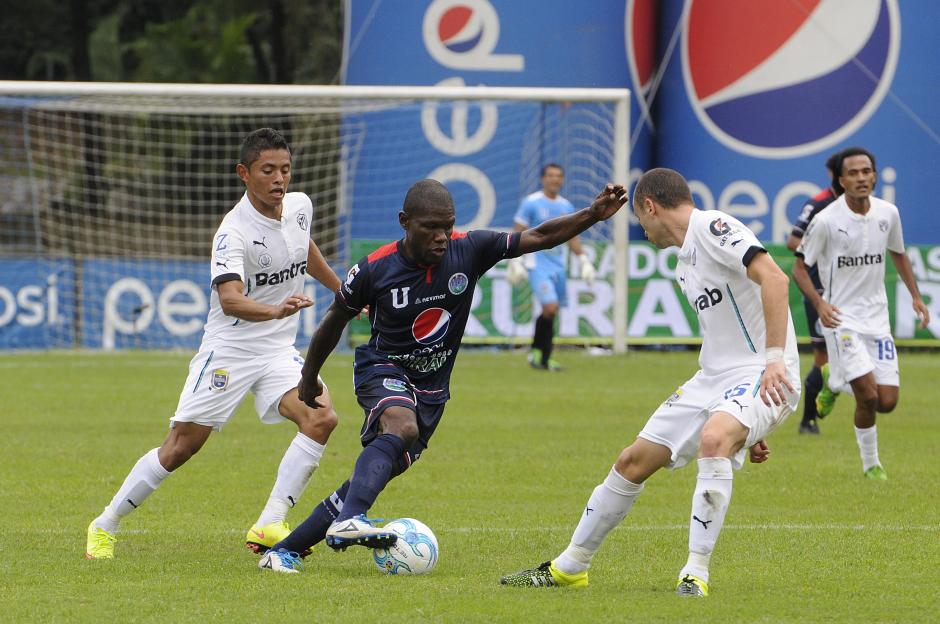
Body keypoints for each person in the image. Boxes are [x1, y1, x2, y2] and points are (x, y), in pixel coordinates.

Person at [256, 178, 627, 573]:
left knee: (370, 478)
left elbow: (539, 236)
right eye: (430, 227)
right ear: (404, 221)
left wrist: (591, 214)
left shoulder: (468, 250)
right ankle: (351, 521)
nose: (441, 237)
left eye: (447, 226)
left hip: (431, 391)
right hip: (382, 367)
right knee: (400, 427)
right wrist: (309, 378)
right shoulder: (374, 268)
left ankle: (284, 551)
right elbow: (333, 322)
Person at [500, 168, 800, 597]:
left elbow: (775, 278)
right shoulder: (684, 264)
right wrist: (751, 428)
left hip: (763, 371)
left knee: (715, 438)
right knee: (632, 461)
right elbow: (732, 329)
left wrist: (772, 363)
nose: (642, 228)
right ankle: (571, 566)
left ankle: (695, 574)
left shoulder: (714, 227)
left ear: (651, 207)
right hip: (716, 378)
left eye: (640, 219)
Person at [85, 128, 342, 559]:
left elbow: (304, 247)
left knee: (321, 418)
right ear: (244, 173)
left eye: (285, 169)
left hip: (277, 351)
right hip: (231, 351)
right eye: (268, 170)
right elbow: (231, 300)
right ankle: (105, 523)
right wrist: (277, 310)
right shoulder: (232, 233)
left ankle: (269, 524)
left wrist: (343, 292)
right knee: (182, 446)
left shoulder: (300, 207)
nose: (279, 179)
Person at [793, 147, 929, 480]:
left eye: (866, 171)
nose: (861, 178)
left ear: (874, 175)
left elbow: (898, 253)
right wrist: (820, 303)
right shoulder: (826, 220)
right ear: (841, 181)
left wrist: (916, 296)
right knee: (867, 395)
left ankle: (833, 379)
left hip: (877, 319)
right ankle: (872, 466)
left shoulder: (888, 213)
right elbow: (799, 267)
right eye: (853, 173)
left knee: (886, 402)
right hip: (841, 318)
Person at [507, 164, 595, 371]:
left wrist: (583, 260)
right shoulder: (531, 203)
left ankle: (541, 356)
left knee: (552, 312)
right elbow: (517, 232)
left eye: (558, 176)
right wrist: (515, 260)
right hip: (537, 263)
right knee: (550, 306)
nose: (554, 180)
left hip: (558, 265)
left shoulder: (566, 206)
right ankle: (540, 355)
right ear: (543, 179)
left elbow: (572, 236)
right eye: (550, 176)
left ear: (562, 180)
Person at [787, 152, 843, 434]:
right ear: (836, 174)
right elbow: (793, 241)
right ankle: (808, 421)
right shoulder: (819, 204)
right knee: (823, 358)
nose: (860, 178)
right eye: (851, 171)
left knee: (843, 357)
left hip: (849, 290)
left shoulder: (862, 208)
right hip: (820, 290)